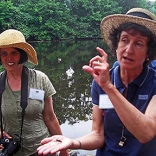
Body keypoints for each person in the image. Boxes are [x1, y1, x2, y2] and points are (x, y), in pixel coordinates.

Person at [37, 8, 156, 156]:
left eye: (138, 43)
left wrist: (108, 87)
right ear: (116, 44)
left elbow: (146, 133)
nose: (129, 49)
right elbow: (98, 135)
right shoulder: (101, 80)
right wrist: (72, 142)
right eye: (124, 40)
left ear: (148, 53)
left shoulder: (152, 82)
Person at [0, 29, 69, 156]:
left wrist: (63, 148)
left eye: (14, 53)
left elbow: (50, 117)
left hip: (42, 149)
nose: (8, 58)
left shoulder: (40, 79)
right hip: (11, 151)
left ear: (22, 54)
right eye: (4, 53)